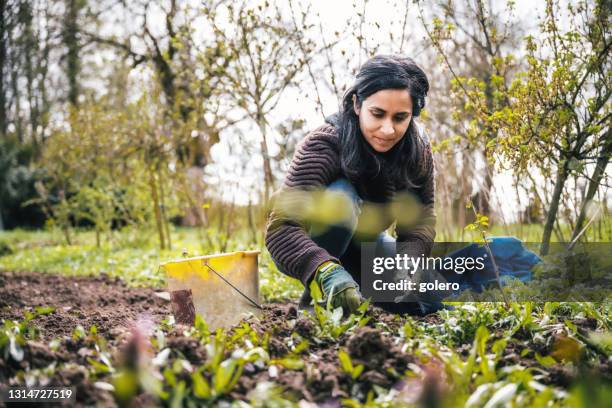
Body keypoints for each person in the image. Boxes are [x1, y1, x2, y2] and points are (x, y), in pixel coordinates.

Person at [265, 54, 437, 315]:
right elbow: (281, 228)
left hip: (366, 247)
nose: (387, 129)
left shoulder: (417, 152)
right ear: (357, 104)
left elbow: (420, 222)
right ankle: (317, 300)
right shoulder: (325, 144)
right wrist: (324, 269)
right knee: (340, 200)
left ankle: (356, 288)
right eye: (377, 114)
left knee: (433, 296)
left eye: (400, 118)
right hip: (310, 244)